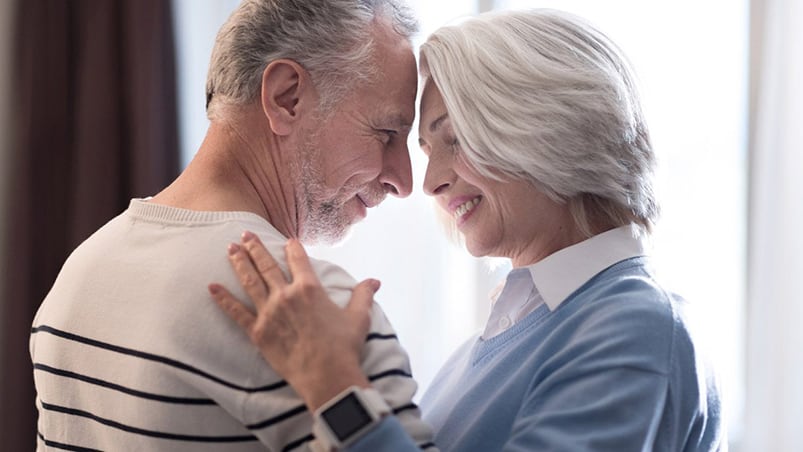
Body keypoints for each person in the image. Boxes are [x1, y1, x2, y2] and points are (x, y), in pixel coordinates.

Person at [209, 8, 726, 452]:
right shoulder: (517, 329)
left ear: (551, 125)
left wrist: (332, 386)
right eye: (429, 151)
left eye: (454, 139)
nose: (429, 182)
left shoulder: (636, 330)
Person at [29, 0, 435, 450]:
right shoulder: (321, 322)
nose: (403, 181)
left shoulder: (80, 274)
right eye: (385, 134)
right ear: (287, 97)